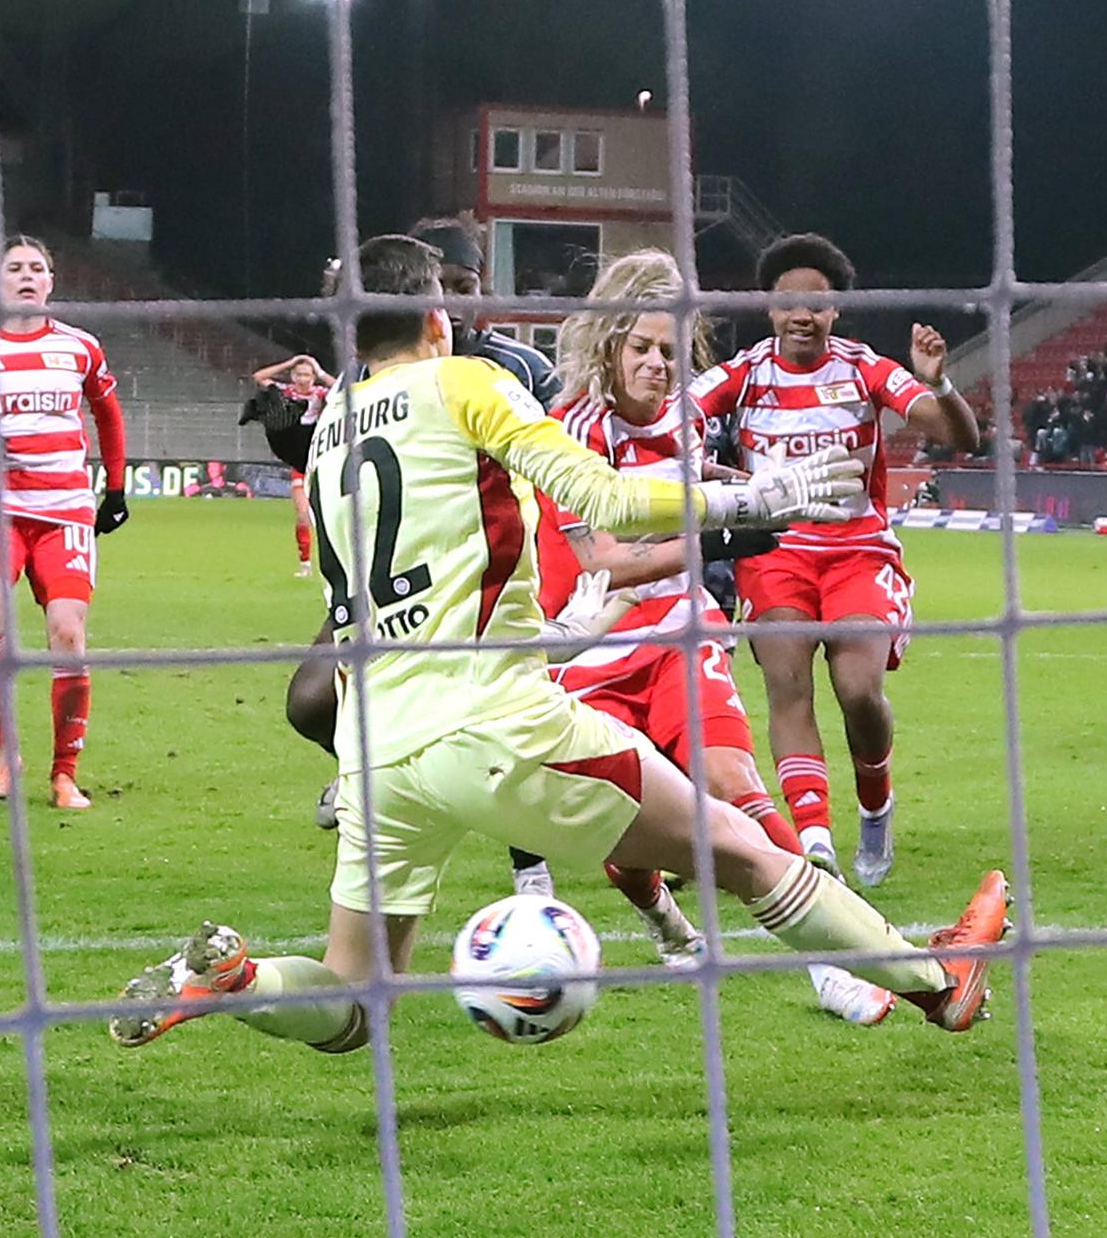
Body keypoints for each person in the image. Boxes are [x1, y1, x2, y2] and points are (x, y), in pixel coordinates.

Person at [109, 233, 1008, 1055]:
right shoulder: (464, 382)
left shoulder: (335, 426)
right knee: (739, 846)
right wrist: (759, 497)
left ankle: (236, 983)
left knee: (351, 1001)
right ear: (436, 316)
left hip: (375, 746)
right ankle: (939, 983)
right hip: (488, 718)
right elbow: (607, 499)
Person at [536, 248, 895, 1024]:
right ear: (609, 344)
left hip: (680, 631)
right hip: (588, 652)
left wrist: (767, 490)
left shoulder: (690, 421)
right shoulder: (570, 432)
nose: (658, 366)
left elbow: (698, 498)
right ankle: (664, 920)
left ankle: (833, 966)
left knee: (736, 785)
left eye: (671, 352)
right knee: (622, 832)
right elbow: (605, 562)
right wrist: (731, 527)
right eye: (642, 348)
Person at [684, 233, 979, 887]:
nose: (802, 316)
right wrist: (709, 467)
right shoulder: (743, 374)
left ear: (836, 310)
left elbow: (959, 435)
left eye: (816, 305)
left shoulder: (864, 368)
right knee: (788, 685)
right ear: (768, 308)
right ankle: (815, 841)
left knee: (859, 691)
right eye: (789, 303)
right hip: (776, 552)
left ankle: (876, 802)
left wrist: (939, 382)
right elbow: (674, 420)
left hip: (857, 552)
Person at [283, 215, 558, 831]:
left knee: (500, 719)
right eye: (444, 287)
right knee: (310, 702)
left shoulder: (519, 368)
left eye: (466, 287)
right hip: (392, 579)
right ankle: (369, 767)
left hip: (489, 569)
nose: (454, 304)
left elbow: (563, 465)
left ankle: (530, 863)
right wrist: (292, 444)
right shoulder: (365, 378)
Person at [0, 235, 129, 810]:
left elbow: (108, 414)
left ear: (51, 281)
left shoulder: (79, 346)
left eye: (36, 268)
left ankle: (64, 775)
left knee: (68, 636)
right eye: (15, 268)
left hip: (64, 509)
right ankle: (6, 755)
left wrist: (116, 488)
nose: (26, 276)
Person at [251, 354, 335, 576]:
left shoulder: (320, 393)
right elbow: (259, 377)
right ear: (292, 376)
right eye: (299, 374)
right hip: (300, 461)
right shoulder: (286, 392)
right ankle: (305, 563)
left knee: (329, 514)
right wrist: (290, 362)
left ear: (313, 377)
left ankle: (336, 559)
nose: (303, 379)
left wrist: (320, 370)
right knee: (302, 514)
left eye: (307, 375)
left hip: (320, 459)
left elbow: (345, 390)